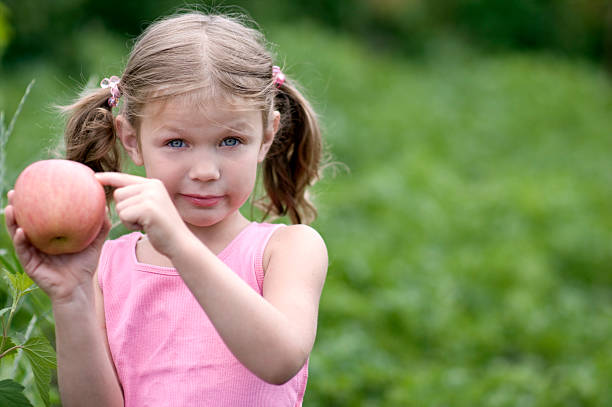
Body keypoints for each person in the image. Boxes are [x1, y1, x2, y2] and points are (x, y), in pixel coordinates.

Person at [4, 10, 328, 407]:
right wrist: (71, 297)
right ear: (131, 139)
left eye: (230, 141)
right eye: (176, 143)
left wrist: (179, 244)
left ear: (266, 136)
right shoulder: (107, 266)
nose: (206, 171)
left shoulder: (289, 249)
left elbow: (280, 361)